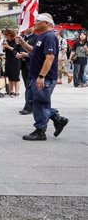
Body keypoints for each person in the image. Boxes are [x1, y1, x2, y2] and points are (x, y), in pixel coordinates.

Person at [15, 13, 69, 141]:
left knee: (40, 103)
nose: (35, 23)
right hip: (35, 76)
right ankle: (57, 118)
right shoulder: (41, 36)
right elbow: (34, 51)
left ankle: (40, 131)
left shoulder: (50, 37)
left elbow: (50, 57)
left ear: (46, 23)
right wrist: (22, 43)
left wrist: (41, 76)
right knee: (34, 101)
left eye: (38, 21)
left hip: (45, 77)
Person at [16, 25, 38, 115]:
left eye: (31, 26)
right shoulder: (21, 37)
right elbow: (15, 49)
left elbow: (37, 52)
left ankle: (28, 107)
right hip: (23, 65)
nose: (29, 28)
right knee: (27, 85)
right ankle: (31, 104)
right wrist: (16, 54)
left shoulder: (37, 37)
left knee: (30, 86)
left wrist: (27, 55)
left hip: (32, 64)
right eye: (27, 26)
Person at [2, 28, 21, 97]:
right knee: (10, 76)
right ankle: (11, 91)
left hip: (15, 61)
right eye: (5, 35)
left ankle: (17, 92)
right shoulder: (6, 41)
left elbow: (16, 51)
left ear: (11, 34)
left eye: (6, 35)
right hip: (8, 60)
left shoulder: (16, 41)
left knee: (16, 77)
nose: (5, 36)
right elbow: (4, 51)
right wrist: (4, 47)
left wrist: (8, 47)